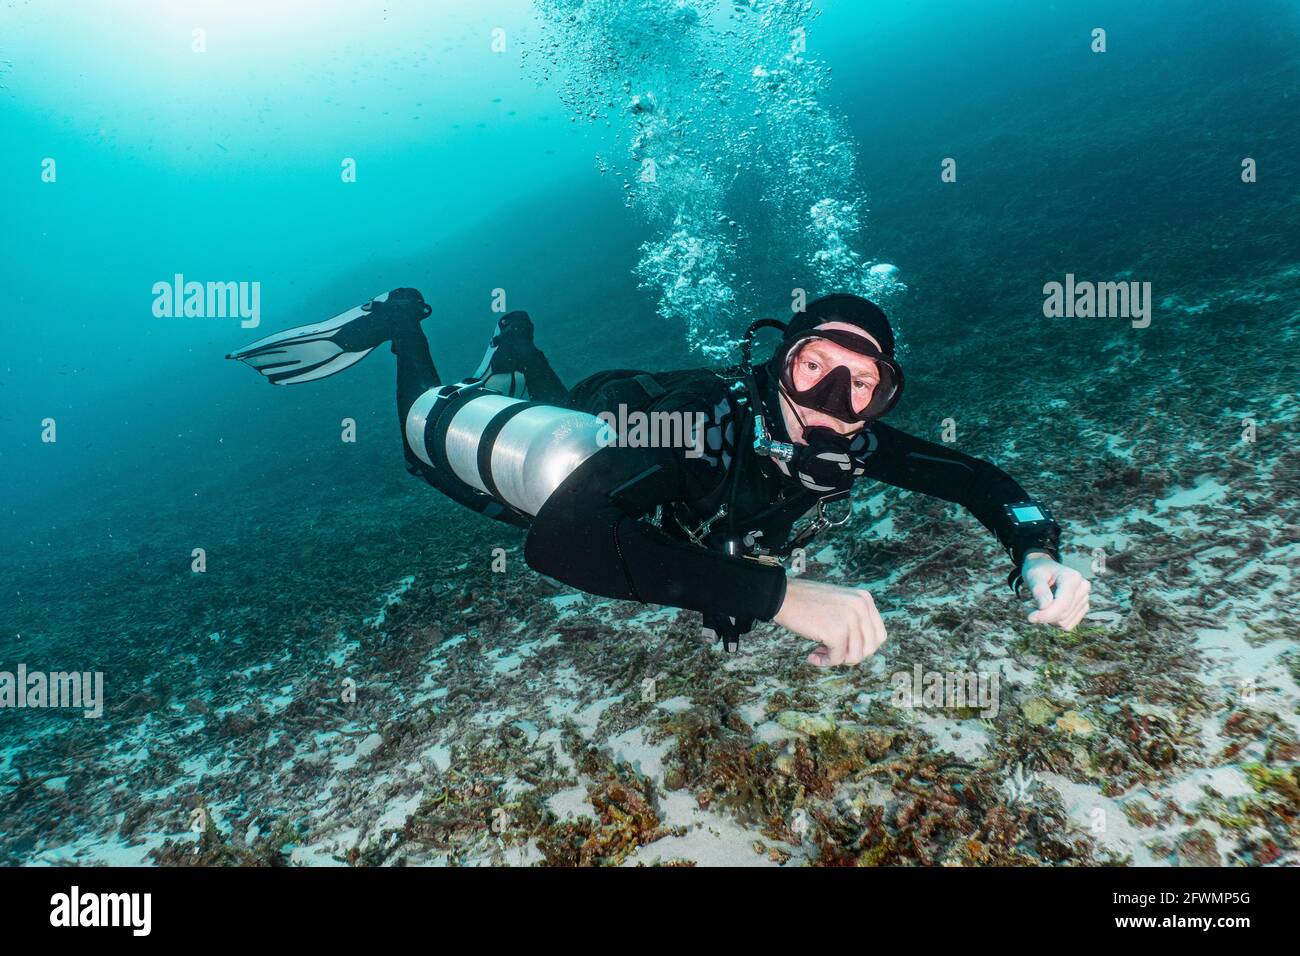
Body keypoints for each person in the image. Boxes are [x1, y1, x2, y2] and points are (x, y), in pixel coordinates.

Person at [229, 288, 1090, 667]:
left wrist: (1035, 550)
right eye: (815, 368)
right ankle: (401, 323)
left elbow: (976, 478)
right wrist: (778, 597)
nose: (833, 401)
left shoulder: (859, 443)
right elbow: (560, 543)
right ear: (777, 362)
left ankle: (519, 348)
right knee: (424, 443)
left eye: (862, 385)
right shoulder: (702, 419)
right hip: (619, 428)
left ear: (883, 397)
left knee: (556, 394)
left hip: (625, 443)